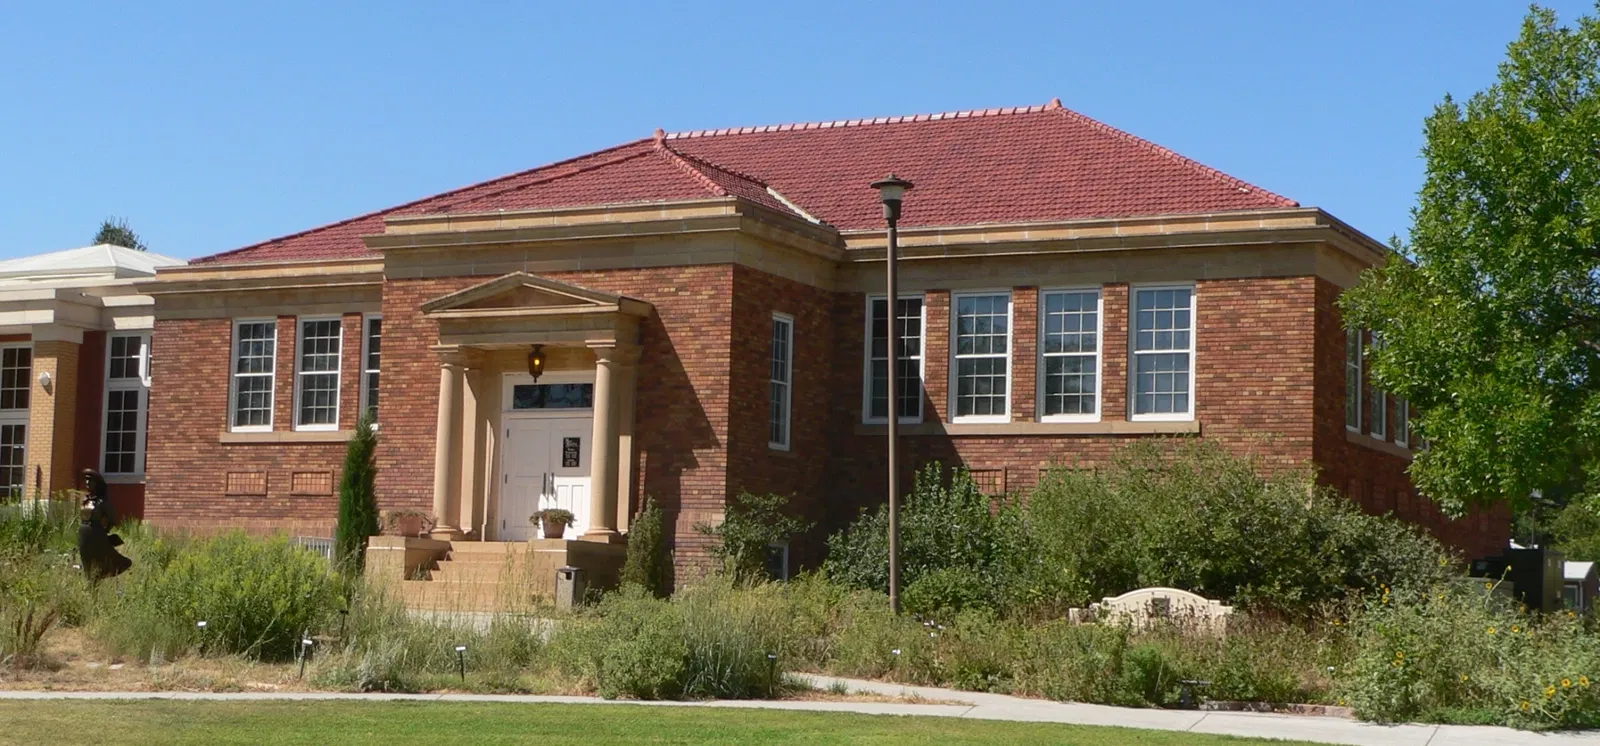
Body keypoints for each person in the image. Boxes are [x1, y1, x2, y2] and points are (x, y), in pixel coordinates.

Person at [77, 469, 131, 581]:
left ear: (96, 484)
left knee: (98, 561)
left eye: (90, 481)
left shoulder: (102, 502)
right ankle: (90, 584)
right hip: (83, 534)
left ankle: (96, 580)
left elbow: (112, 519)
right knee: (86, 561)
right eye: (86, 481)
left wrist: (103, 532)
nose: (87, 484)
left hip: (96, 534)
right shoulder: (85, 500)